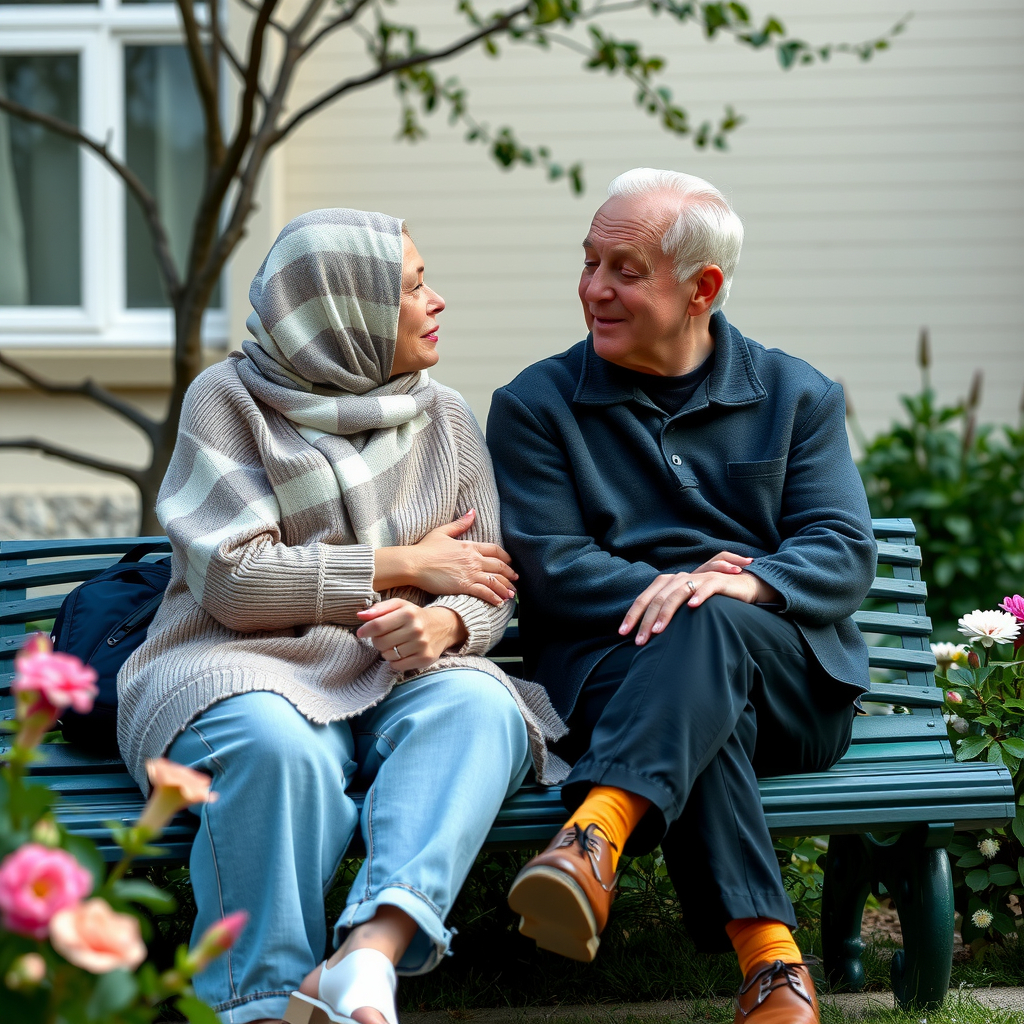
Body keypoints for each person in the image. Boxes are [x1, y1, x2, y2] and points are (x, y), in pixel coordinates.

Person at [118, 209, 566, 1024]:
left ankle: (367, 956)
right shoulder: (228, 402)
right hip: (241, 658)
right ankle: (257, 1000)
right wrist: (402, 566)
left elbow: (487, 580)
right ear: (342, 311)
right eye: (413, 288)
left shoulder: (448, 420)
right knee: (277, 746)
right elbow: (234, 581)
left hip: (401, 665)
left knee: (481, 708)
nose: (438, 303)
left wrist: (449, 626)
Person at [487, 168, 877, 1024]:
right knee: (706, 682)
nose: (594, 289)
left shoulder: (794, 395)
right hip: (610, 679)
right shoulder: (535, 406)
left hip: (795, 690)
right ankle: (770, 964)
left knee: (716, 621)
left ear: (703, 288)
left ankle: (600, 828)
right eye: (589, 263)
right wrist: (688, 588)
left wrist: (744, 582)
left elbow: (844, 549)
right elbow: (550, 564)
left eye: (625, 271)